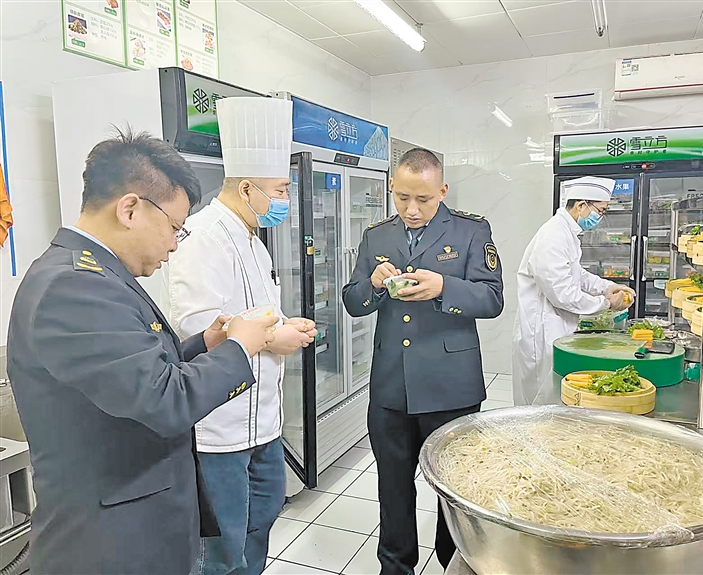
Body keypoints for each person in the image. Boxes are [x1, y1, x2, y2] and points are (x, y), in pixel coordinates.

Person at [7, 130, 279, 575]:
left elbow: (136, 374)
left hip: (140, 524)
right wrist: (240, 346)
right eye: (174, 227)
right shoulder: (74, 286)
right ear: (130, 209)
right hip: (112, 543)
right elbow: (164, 400)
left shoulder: (100, 275)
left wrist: (204, 344)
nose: (174, 244)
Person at [166, 97, 317, 575]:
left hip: (264, 422)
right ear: (247, 188)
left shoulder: (254, 239)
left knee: (261, 524)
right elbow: (199, 327)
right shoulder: (203, 236)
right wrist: (275, 339)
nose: (285, 199)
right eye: (280, 190)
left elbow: (257, 312)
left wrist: (287, 324)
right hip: (221, 428)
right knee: (222, 547)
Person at [343, 148, 504, 574]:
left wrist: (444, 288)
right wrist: (373, 285)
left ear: (443, 191)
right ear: (391, 188)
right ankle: (395, 566)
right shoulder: (377, 236)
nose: (412, 210)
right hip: (391, 387)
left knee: (453, 489)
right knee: (393, 487)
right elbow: (353, 302)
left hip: (451, 386)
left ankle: (454, 564)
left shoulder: (471, 230)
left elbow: (492, 299)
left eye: (424, 199)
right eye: (402, 198)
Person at [511, 176, 635, 406]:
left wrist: (608, 286)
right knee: (540, 399)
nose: (600, 217)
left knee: (553, 398)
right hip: (542, 332)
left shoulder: (567, 233)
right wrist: (607, 303)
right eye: (600, 211)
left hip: (556, 327)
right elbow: (563, 294)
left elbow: (577, 275)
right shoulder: (553, 236)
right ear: (581, 205)